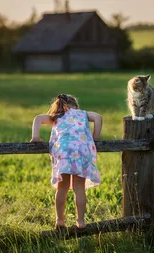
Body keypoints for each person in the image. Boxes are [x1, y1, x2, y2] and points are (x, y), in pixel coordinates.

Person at [30, 94, 102, 229]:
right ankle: (80, 221)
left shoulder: (57, 115)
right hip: (81, 152)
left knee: (62, 188)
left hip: (63, 152)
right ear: (75, 105)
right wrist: (95, 137)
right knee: (79, 188)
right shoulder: (83, 114)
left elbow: (38, 118)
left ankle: (59, 220)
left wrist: (35, 136)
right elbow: (98, 117)